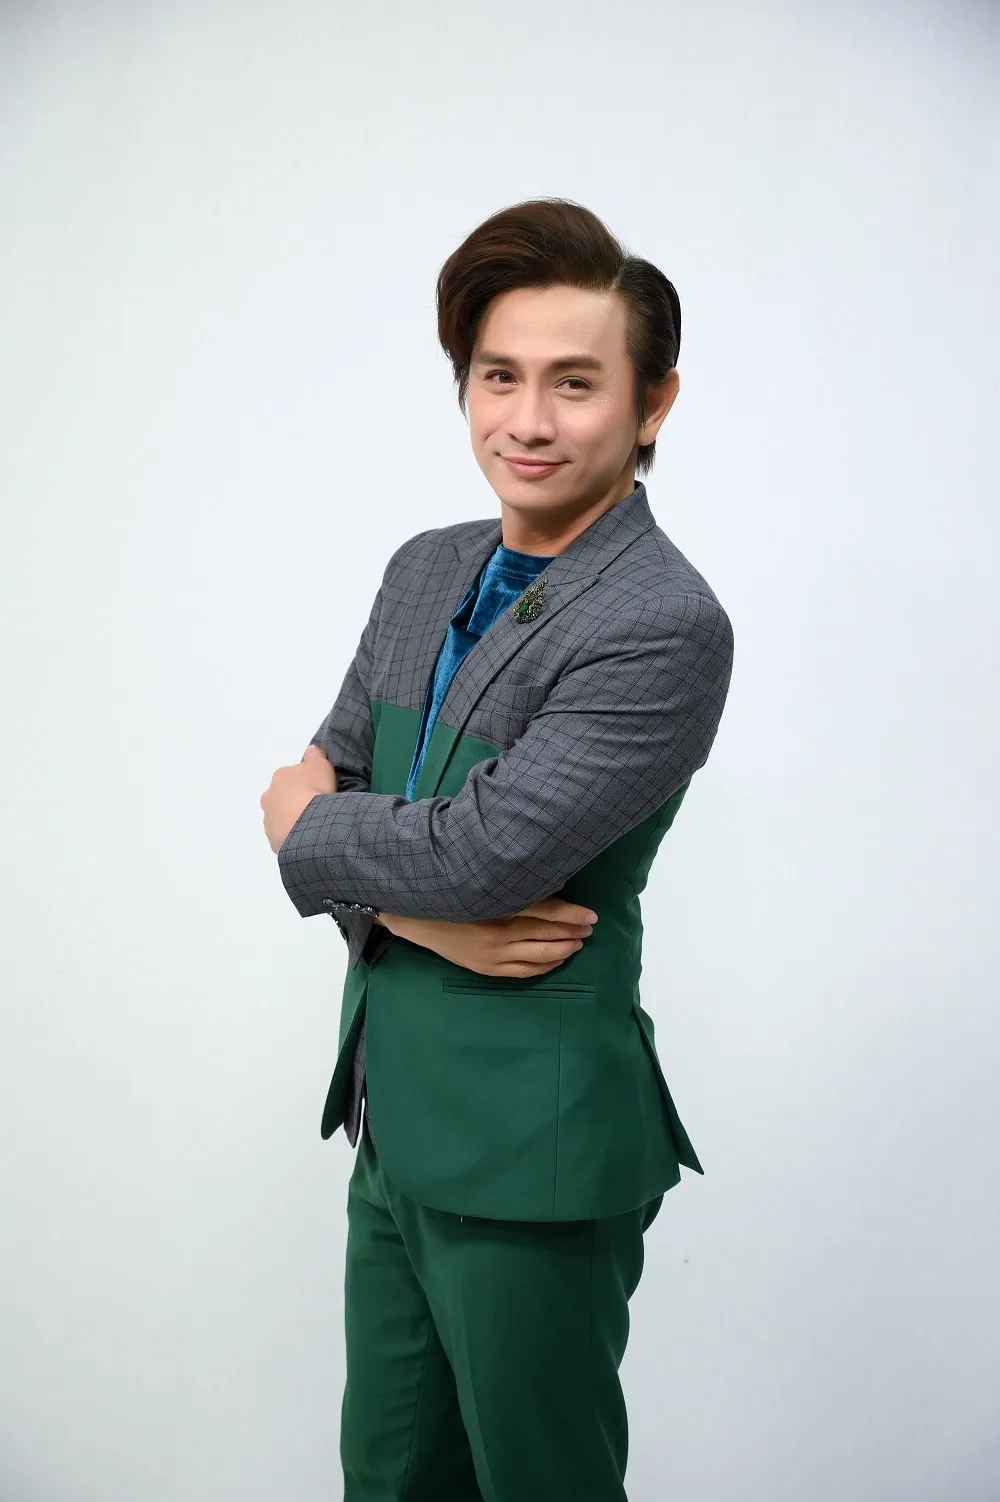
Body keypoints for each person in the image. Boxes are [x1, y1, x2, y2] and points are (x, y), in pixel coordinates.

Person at [260, 197, 734, 1501]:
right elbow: (335, 781)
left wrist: (317, 833)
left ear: (652, 403)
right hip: (392, 1122)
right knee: (388, 1478)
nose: (526, 419)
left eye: (574, 382)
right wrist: (414, 913)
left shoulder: (662, 622)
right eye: (498, 376)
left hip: (532, 1152)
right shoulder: (424, 570)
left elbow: (471, 853)